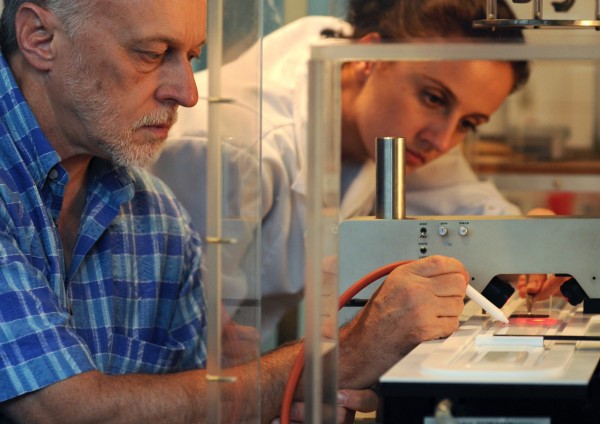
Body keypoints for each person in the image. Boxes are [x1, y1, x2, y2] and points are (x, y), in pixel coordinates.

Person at [0, 0, 471, 422]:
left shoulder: (154, 215)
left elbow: (200, 400)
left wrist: (287, 396)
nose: (188, 93)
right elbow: (61, 411)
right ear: (40, 38)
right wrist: (340, 357)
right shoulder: (237, 152)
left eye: (191, 57)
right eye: (151, 53)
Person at [149, 0, 530, 339]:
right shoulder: (237, 150)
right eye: (433, 98)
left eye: (469, 123)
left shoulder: (392, 118)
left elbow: (475, 208)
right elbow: (175, 342)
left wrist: (535, 254)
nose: (443, 141)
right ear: (371, 58)